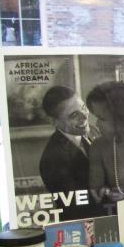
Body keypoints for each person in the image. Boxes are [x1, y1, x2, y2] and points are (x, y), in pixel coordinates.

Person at [38, 84, 100, 219]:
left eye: (83, 107)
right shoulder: (53, 159)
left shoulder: (93, 131)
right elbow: (76, 209)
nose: (84, 117)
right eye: (74, 115)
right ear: (53, 121)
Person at [86, 81, 124, 213]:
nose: (96, 123)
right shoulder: (98, 146)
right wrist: (107, 193)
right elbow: (96, 191)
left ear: (121, 118)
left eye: (102, 118)